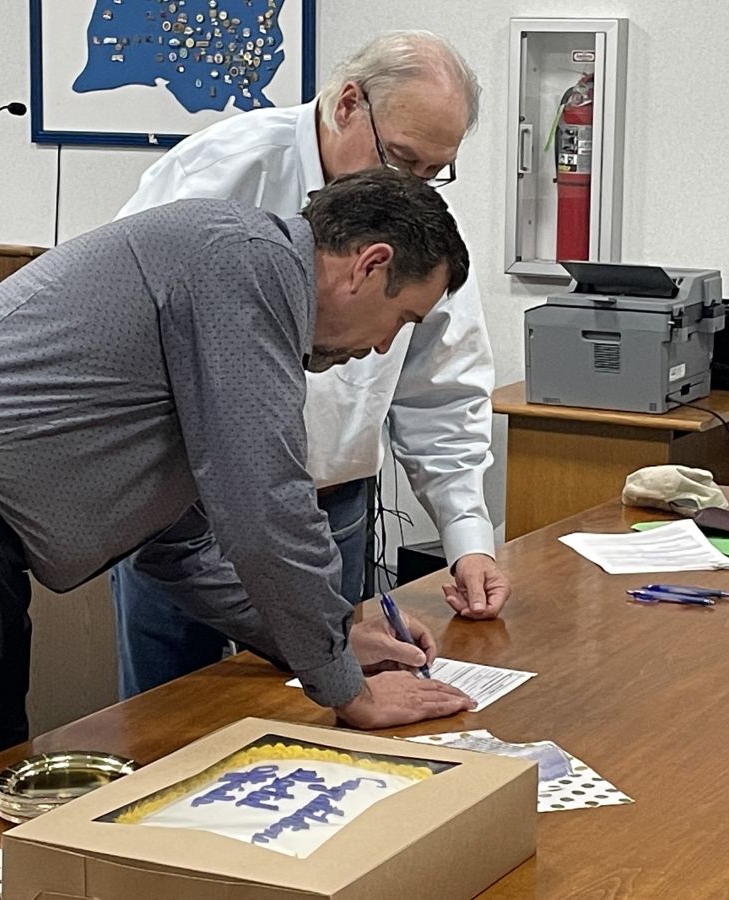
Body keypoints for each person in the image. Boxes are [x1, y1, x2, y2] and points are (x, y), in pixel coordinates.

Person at [0, 169, 476, 834]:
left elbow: (186, 546)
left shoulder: (233, 275)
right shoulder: (248, 266)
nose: (385, 345)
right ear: (368, 265)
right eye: (401, 317)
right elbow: (266, 507)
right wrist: (344, 687)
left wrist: (333, 640)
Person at [111, 30, 512, 698]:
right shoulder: (218, 173)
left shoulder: (416, 220)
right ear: (348, 104)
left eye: (431, 172)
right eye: (402, 159)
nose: (412, 187)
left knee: (321, 714)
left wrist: (466, 532)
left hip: (330, 505)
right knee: (173, 716)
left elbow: (440, 383)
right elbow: (132, 335)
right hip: (186, 517)